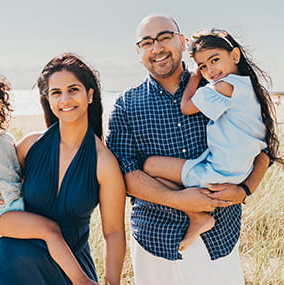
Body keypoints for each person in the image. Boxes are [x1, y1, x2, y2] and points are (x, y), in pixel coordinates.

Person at [106, 15, 271, 285]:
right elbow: (123, 173)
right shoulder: (127, 105)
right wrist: (182, 201)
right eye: (147, 42)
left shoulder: (217, 84)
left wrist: (244, 190)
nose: (157, 48)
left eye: (164, 37)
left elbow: (264, 149)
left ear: (183, 42)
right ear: (139, 53)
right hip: (155, 240)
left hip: (219, 237)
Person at [0, 54, 126, 285]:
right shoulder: (30, 146)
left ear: (89, 95)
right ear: (48, 99)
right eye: (56, 92)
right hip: (10, 268)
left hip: (70, 274)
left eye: (73, 89)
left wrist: (112, 282)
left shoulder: (104, 162)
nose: (65, 99)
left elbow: (113, 233)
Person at [143, 29, 283, 251]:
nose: (210, 70)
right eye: (203, 66)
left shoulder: (225, 86)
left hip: (220, 173)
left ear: (235, 56)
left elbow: (186, 106)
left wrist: (194, 77)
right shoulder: (250, 88)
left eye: (214, 60)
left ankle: (196, 216)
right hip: (236, 171)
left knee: (150, 166)